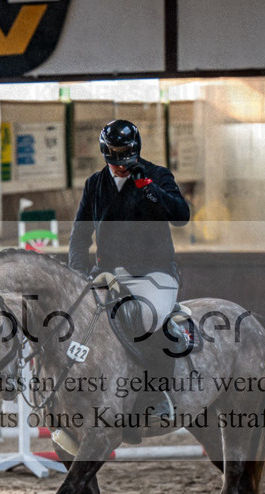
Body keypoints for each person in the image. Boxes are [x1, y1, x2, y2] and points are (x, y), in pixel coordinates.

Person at [68, 119, 190, 422]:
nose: (121, 166)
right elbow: (80, 235)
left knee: (143, 316)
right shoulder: (95, 184)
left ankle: (154, 394)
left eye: (127, 159)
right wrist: (78, 272)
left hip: (155, 274)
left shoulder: (158, 176)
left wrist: (147, 187)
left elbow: (180, 217)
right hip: (109, 274)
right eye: (115, 159)